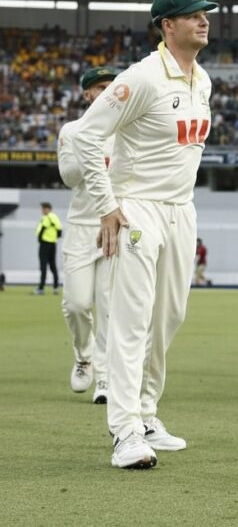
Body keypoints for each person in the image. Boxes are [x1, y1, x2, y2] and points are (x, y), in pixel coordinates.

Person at [74, 0, 218, 469]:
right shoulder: (140, 78)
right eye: (192, 15)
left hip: (182, 209)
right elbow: (87, 138)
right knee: (131, 322)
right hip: (138, 208)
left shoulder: (203, 81)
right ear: (167, 25)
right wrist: (107, 205)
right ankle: (125, 431)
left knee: (168, 318)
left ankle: (148, 413)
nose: (203, 21)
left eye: (204, 14)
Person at [57, 66, 120, 404]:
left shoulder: (125, 127)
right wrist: (90, 143)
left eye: (111, 86)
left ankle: (107, 379)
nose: (107, 92)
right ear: (87, 94)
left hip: (114, 226)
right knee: (78, 304)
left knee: (109, 305)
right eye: (100, 87)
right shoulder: (72, 130)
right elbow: (69, 177)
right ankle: (84, 356)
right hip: (82, 227)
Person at [35, 202, 62, 295]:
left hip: (45, 244)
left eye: (43, 208)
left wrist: (40, 238)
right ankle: (55, 287)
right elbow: (59, 232)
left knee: (43, 266)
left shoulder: (47, 217)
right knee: (53, 266)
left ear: (48, 209)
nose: (42, 210)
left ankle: (41, 288)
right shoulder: (55, 217)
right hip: (52, 244)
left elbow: (42, 229)